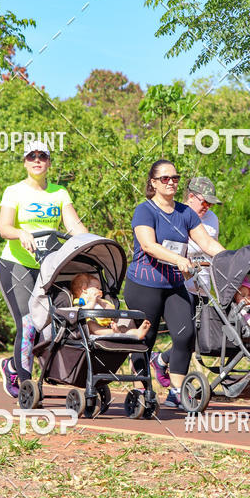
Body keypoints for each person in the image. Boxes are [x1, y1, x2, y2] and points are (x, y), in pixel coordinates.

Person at [123, 159, 226, 408]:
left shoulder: (185, 212)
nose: (171, 182)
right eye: (165, 178)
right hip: (144, 284)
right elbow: (149, 245)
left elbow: (207, 244)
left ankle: (176, 392)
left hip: (174, 284)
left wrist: (231, 260)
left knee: (185, 334)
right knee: (144, 339)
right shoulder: (144, 210)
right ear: (153, 183)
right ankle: (141, 391)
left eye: (175, 178)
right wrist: (178, 259)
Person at [0, 141, 88, 398]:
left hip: (49, 266)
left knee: (49, 324)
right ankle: (25, 381)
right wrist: (20, 233)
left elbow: (74, 226)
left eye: (42, 156)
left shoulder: (59, 193)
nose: (37, 160)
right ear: (25, 162)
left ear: (48, 162)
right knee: (27, 323)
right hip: (17, 265)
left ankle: (13, 364)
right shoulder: (14, 191)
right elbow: (4, 228)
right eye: (31, 156)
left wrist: (91, 242)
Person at [150, 176, 221, 389]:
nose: (207, 207)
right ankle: (177, 389)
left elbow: (211, 247)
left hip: (203, 285)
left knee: (197, 338)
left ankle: (161, 360)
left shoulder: (212, 219)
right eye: (204, 202)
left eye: (210, 203)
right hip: (181, 284)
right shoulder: (178, 215)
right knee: (185, 335)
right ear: (191, 197)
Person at [70, 273, 151, 339]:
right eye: (97, 288)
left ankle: (136, 333)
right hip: (91, 328)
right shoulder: (79, 301)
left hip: (110, 325)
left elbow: (112, 310)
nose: (100, 290)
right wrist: (92, 301)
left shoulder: (101, 301)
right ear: (84, 289)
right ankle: (114, 332)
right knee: (90, 324)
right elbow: (81, 311)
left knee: (122, 327)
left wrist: (101, 302)